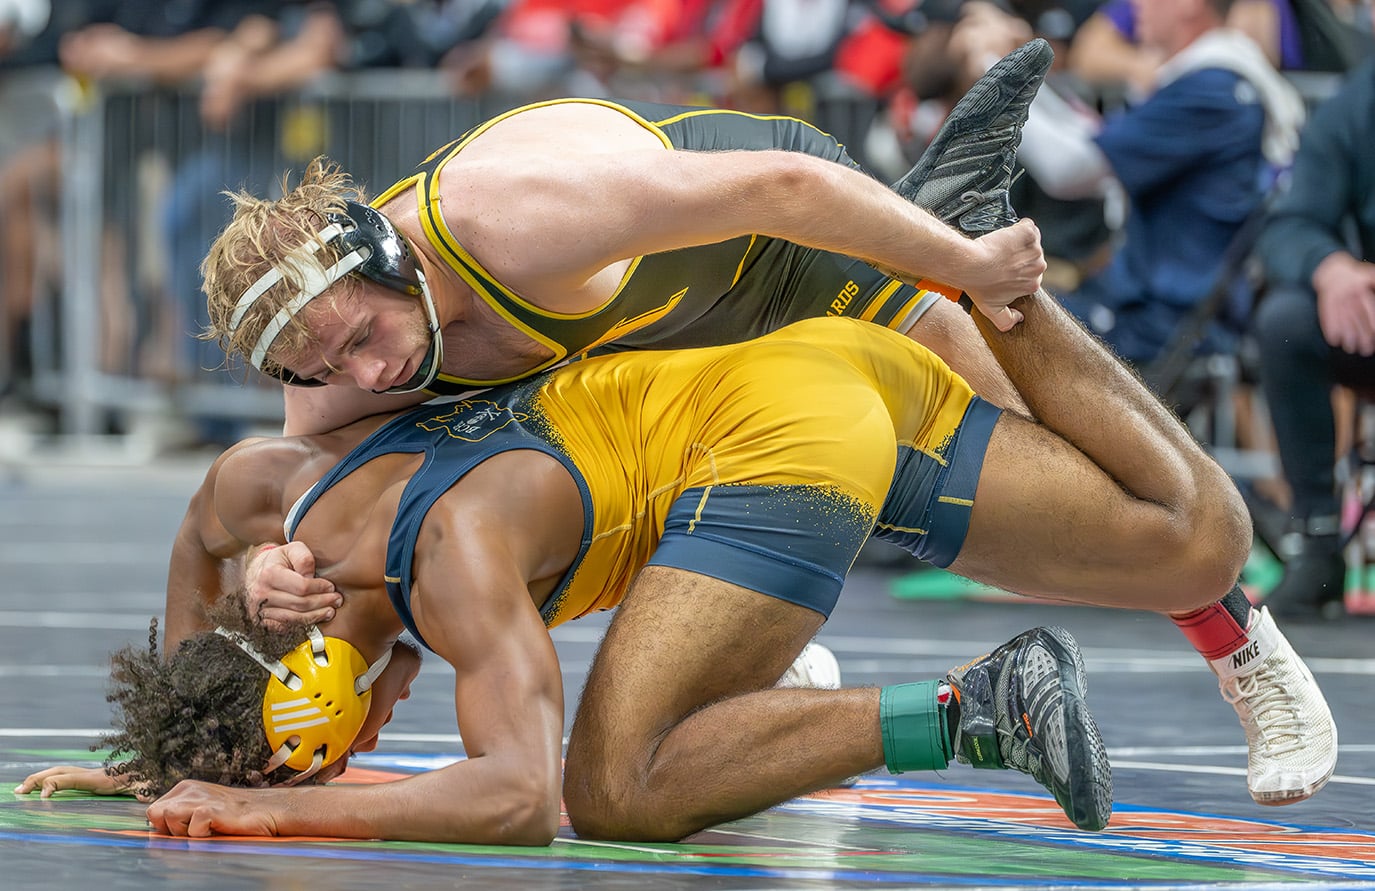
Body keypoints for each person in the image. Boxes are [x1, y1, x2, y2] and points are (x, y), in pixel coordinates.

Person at [201, 38, 1333, 809]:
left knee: (1053, 465)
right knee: (580, 472)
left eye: (363, 335)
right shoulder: (334, 361)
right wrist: (269, 566)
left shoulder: (508, 216)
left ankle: (1243, 645)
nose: (369, 368)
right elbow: (312, 489)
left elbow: (777, 195)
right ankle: (764, 662)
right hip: (667, 360)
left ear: (388, 259)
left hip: (776, 250)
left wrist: (961, 267)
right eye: (325, 365)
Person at [19, 282, 1327, 840]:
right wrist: (159, 748)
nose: (379, 731)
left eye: (343, 735)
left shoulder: (451, 560)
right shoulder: (280, 477)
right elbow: (201, 544)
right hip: (827, 368)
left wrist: (281, 804)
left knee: (616, 783)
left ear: (318, 678)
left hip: (775, 448)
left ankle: (973, 712)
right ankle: (1005, 291)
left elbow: (518, 797)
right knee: (1190, 542)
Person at [1008, 0, 1306, 368]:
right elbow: (1091, 142)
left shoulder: (1210, 88)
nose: (1135, 6)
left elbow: (1069, 170)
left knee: (994, 321)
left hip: (1162, 322)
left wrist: (992, 77)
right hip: (1160, 309)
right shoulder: (1212, 78)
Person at [1251, 36, 1375, 619]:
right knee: (1288, 320)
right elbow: (1292, 223)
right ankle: (1319, 543)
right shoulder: (1358, 104)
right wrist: (1332, 268)